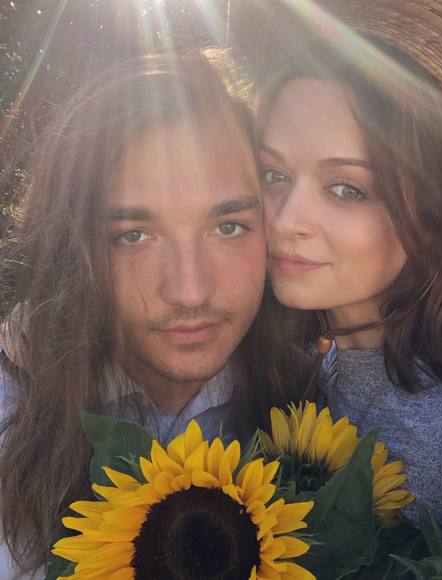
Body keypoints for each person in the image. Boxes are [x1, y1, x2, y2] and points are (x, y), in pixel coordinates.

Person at [230, 0, 442, 578]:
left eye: (347, 189)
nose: (286, 218)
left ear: (437, 218)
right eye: (274, 175)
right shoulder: (319, 366)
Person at [0, 52, 306, 578]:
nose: (189, 291)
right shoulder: (15, 413)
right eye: (134, 236)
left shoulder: (323, 395)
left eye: (228, 227)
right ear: (73, 248)